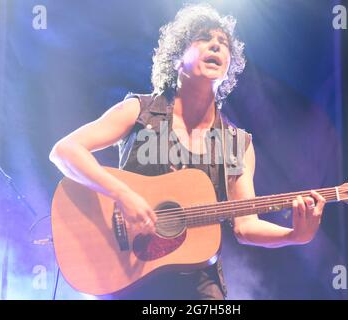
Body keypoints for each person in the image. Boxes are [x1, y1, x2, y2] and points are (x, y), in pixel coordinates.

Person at [49, 3, 326, 300]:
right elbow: (65, 151)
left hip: (199, 284)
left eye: (223, 43)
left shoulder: (237, 143)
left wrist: (295, 235)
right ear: (178, 57)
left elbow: (246, 225)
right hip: (129, 273)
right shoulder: (139, 111)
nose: (217, 45)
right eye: (204, 38)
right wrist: (123, 195)